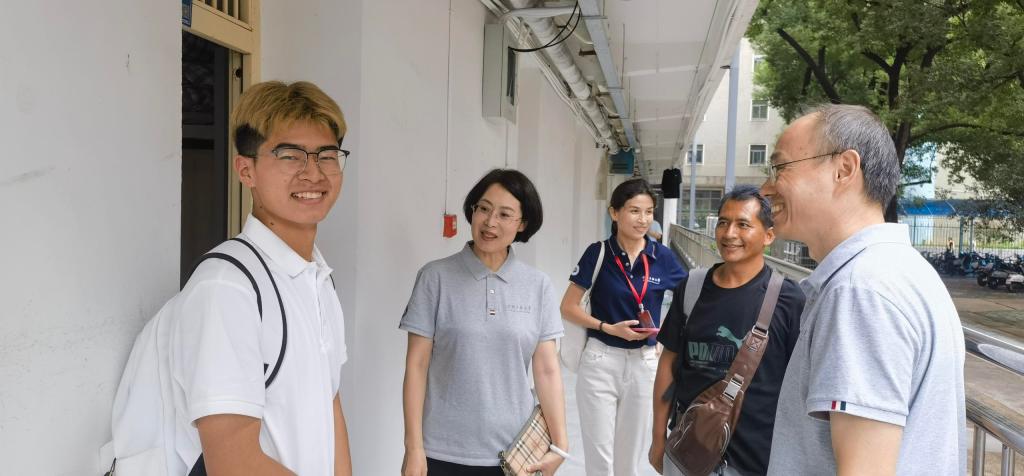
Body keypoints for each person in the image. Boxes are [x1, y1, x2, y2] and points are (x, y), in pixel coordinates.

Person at [124, 80, 353, 475]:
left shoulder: (316, 277)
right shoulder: (228, 287)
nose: (313, 173)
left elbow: (329, 402)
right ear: (246, 170)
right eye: (290, 156)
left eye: (327, 156)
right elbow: (233, 464)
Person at [760, 104, 966, 474]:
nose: (766, 188)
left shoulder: (860, 292)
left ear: (844, 169)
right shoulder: (897, 270)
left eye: (781, 168)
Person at [401, 169, 568, 476]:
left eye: (505, 214)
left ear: (522, 223)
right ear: (472, 210)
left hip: (514, 454)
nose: (490, 222)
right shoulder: (435, 277)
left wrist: (560, 444)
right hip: (441, 451)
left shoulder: (538, 285)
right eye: (484, 209)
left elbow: (546, 369)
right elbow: (416, 365)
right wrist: (413, 448)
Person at [649, 185, 806, 475]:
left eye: (743, 224)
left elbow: (799, 384)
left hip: (756, 462)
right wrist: (658, 437)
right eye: (723, 222)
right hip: (688, 453)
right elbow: (668, 364)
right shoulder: (692, 288)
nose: (729, 233)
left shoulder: (788, 299)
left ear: (769, 236)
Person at [560, 178, 686, 476]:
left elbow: (688, 300)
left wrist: (664, 337)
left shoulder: (662, 257)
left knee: (629, 461)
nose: (643, 219)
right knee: (599, 459)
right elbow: (568, 307)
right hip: (600, 361)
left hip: (644, 364)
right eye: (634, 211)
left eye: (648, 212)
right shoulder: (598, 253)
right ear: (614, 213)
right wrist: (607, 327)